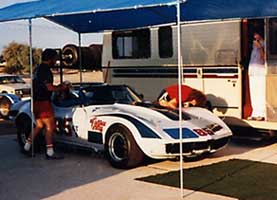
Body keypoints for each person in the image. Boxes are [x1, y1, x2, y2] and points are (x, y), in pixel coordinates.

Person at [23, 48, 67, 159]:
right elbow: (49, 87)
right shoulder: (46, 71)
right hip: (43, 102)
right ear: (50, 59)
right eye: (55, 59)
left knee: (39, 125)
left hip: (35, 102)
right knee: (50, 126)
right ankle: (50, 152)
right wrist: (61, 87)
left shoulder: (37, 69)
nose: (56, 62)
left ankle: (26, 147)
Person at [248, 31, 265, 121]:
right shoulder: (254, 44)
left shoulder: (265, 43)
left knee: (261, 92)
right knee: (254, 92)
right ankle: (255, 113)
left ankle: (262, 113)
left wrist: (260, 48)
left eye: (256, 34)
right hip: (253, 71)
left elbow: (265, 58)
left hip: (261, 71)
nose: (255, 36)